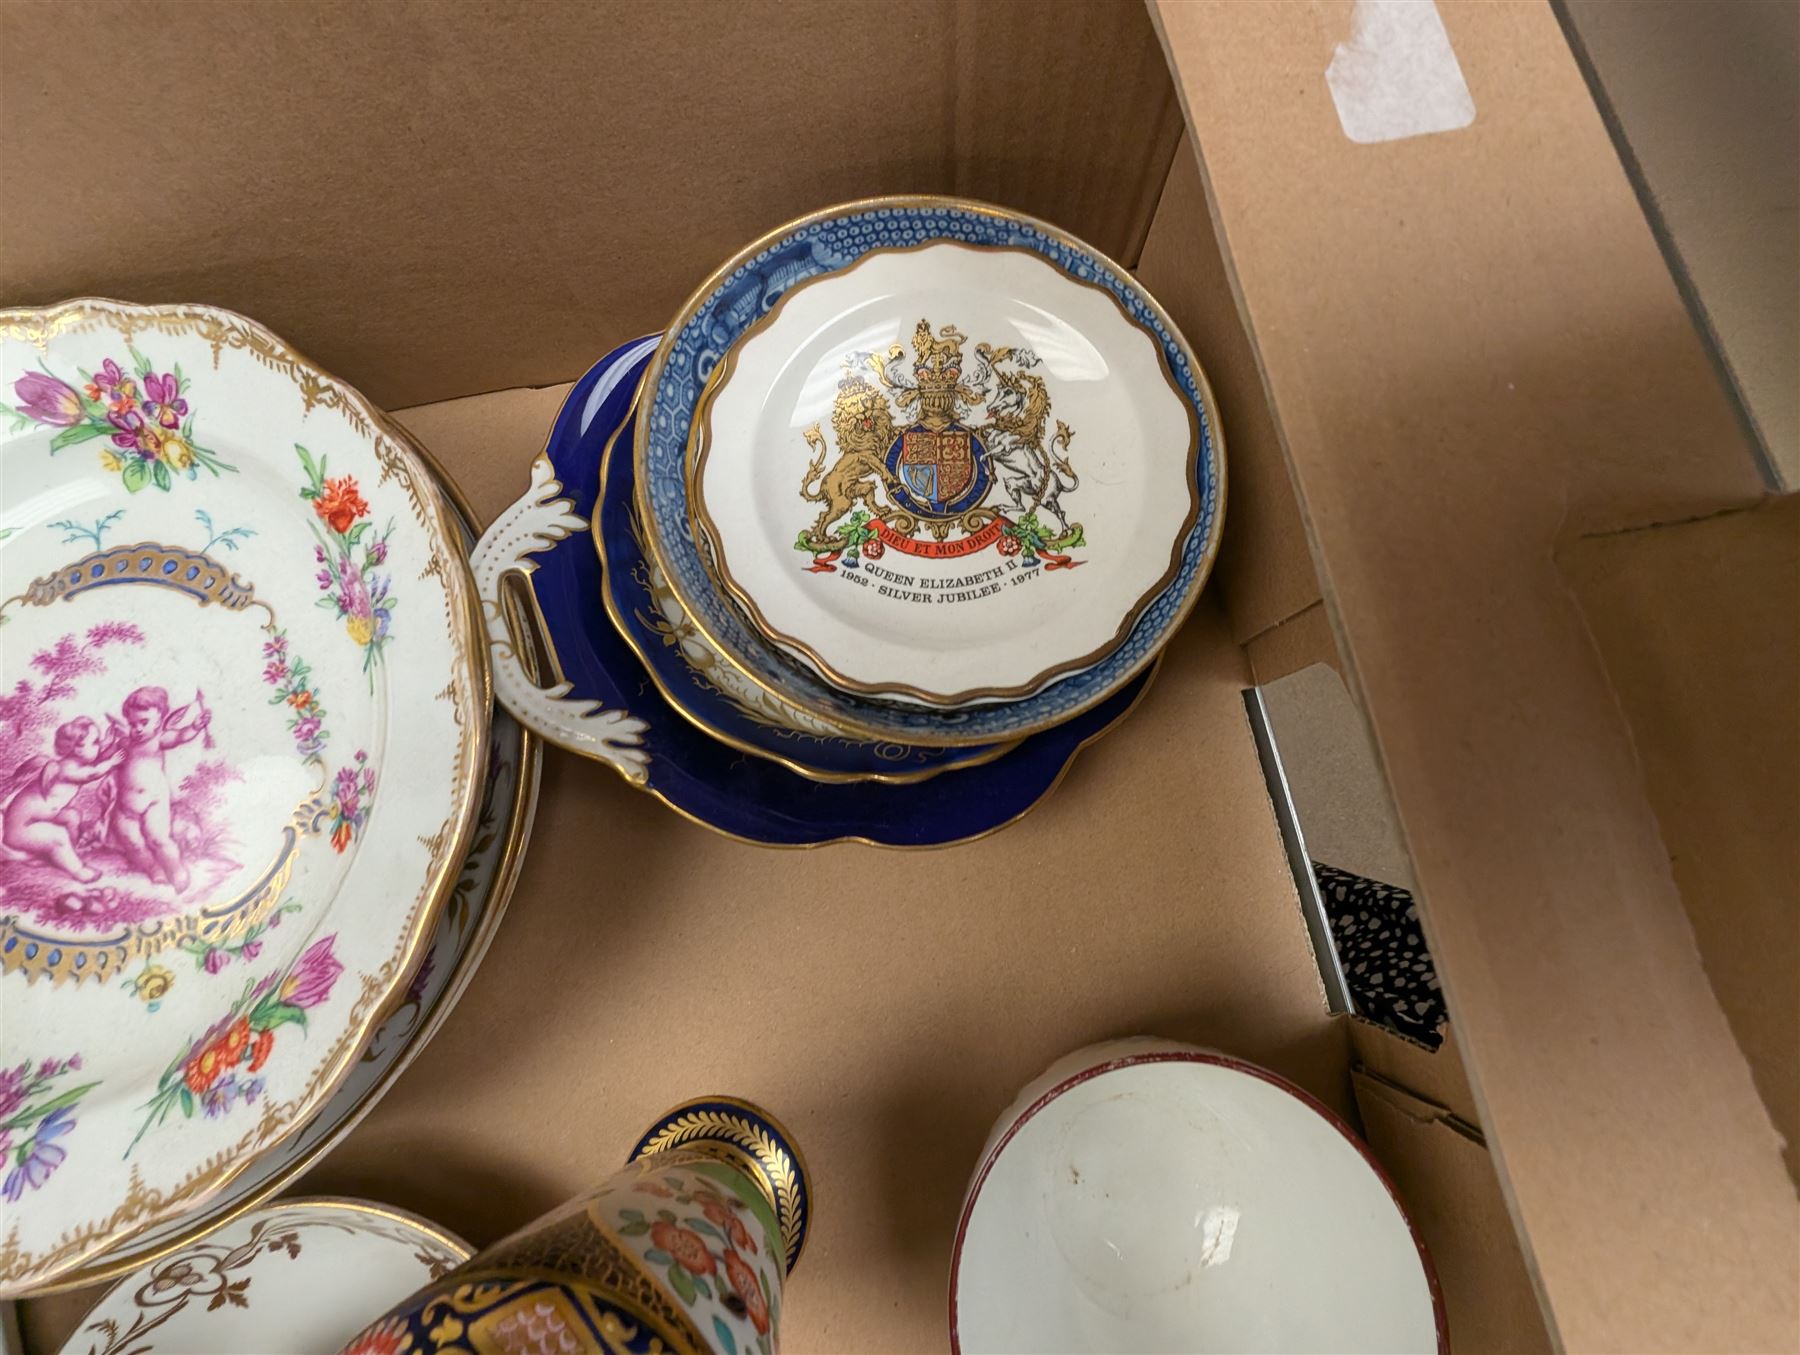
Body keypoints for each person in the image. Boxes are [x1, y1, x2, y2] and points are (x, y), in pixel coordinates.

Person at [107, 686, 210, 892]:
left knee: (159, 839)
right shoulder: (126, 743)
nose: (137, 729)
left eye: (144, 722)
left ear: (160, 720)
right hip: (125, 806)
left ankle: (176, 870)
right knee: (132, 842)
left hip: (154, 802)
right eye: (132, 723)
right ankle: (153, 868)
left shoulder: (158, 740)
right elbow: (113, 763)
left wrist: (195, 727)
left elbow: (180, 736)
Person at [0, 717, 125, 882]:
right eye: (95, 742)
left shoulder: (75, 762)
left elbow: (96, 760)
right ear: (78, 750)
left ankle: (64, 855)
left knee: (71, 816)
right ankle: (78, 870)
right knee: (57, 835)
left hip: (38, 819)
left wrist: (110, 743)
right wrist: (110, 763)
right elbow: (92, 773)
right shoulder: (66, 769)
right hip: (20, 830)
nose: (99, 745)